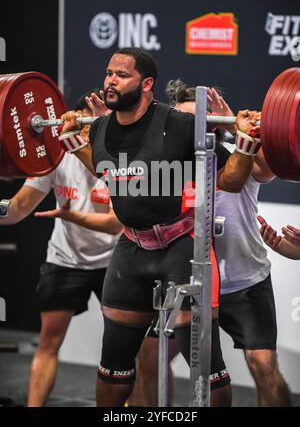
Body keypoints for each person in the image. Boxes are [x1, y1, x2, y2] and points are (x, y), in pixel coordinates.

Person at [59, 47, 260, 407]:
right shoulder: (102, 127)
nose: (110, 81)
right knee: (114, 365)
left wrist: (245, 143)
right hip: (131, 251)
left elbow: (230, 180)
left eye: (122, 75)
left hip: (181, 248)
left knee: (206, 368)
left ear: (147, 83)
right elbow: (106, 170)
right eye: (108, 73)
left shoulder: (179, 125)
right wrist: (75, 143)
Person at [169, 79, 292, 407]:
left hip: (245, 281)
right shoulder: (167, 167)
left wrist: (240, 126)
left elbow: (271, 168)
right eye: (183, 121)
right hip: (191, 285)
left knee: (264, 365)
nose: (191, 131)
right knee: (147, 355)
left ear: (216, 124)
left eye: (199, 121)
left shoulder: (242, 157)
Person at [0, 90, 122, 407]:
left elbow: (115, 224)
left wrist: (69, 216)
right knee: (48, 342)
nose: (83, 133)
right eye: (78, 126)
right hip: (65, 260)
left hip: (115, 263)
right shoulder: (57, 159)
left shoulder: (120, 164)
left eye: (91, 127)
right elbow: (17, 208)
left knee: (124, 349)